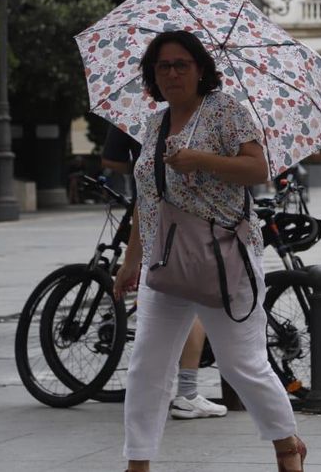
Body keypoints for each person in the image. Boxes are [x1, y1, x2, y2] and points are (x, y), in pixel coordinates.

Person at [112, 30, 305, 472]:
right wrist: (131, 259)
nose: (173, 73)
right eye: (163, 66)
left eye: (182, 64)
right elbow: (148, 194)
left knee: (243, 366)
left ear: (200, 69)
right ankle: (137, 462)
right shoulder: (154, 123)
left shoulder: (225, 111)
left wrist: (201, 159)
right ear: (153, 75)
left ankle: (286, 445)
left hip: (222, 259)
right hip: (167, 262)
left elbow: (258, 169)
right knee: (146, 365)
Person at [102, 127, 226, 421]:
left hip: (161, 222)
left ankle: (177, 395)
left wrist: (140, 165)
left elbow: (111, 160)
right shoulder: (190, 117)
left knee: (177, 308)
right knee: (185, 304)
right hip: (184, 221)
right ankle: (185, 394)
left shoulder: (136, 116)